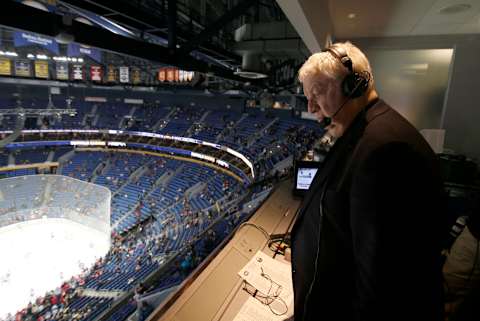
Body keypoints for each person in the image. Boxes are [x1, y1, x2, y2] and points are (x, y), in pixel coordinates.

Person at [290, 41, 447, 321]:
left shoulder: (385, 150)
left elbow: (380, 282)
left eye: (317, 94)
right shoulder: (363, 131)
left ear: (354, 86)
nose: (312, 107)